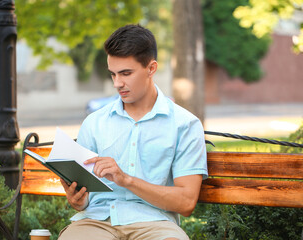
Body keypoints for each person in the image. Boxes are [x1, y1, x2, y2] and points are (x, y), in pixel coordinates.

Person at [58, 24, 208, 240]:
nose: (118, 84)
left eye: (126, 73)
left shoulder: (185, 125)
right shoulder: (94, 123)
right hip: (96, 222)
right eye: (113, 74)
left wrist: (126, 180)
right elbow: (83, 198)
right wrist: (78, 200)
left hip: (155, 224)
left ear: (151, 68)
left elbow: (186, 203)